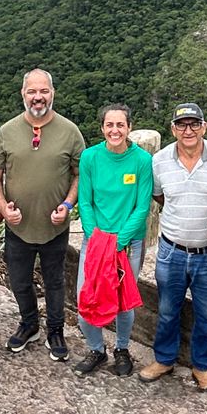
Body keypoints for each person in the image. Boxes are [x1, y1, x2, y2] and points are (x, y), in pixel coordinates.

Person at [0, 68, 84, 361]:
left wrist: (67, 206)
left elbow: (81, 175)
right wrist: (3, 209)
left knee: (54, 281)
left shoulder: (70, 132)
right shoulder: (7, 132)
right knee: (20, 280)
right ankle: (29, 324)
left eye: (43, 91)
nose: (38, 97)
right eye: (32, 92)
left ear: (52, 93)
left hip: (55, 226)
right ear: (23, 94)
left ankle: (55, 329)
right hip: (18, 226)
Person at [141, 103, 207, 391]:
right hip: (171, 250)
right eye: (182, 124)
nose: (188, 130)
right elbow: (160, 198)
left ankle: (202, 367)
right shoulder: (159, 161)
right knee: (168, 309)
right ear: (173, 129)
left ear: (204, 127)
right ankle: (164, 359)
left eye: (194, 124)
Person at [73, 103, 153, 377]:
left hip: (128, 244)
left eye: (121, 125)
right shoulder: (90, 157)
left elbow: (142, 207)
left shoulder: (142, 161)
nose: (115, 130)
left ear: (129, 127)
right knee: (86, 299)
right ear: (102, 128)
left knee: (122, 301)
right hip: (95, 242)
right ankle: (96, 349)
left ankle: (121, 348)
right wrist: (96, 236)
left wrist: (119, 241)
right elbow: (85, 201)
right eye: (110, 125)